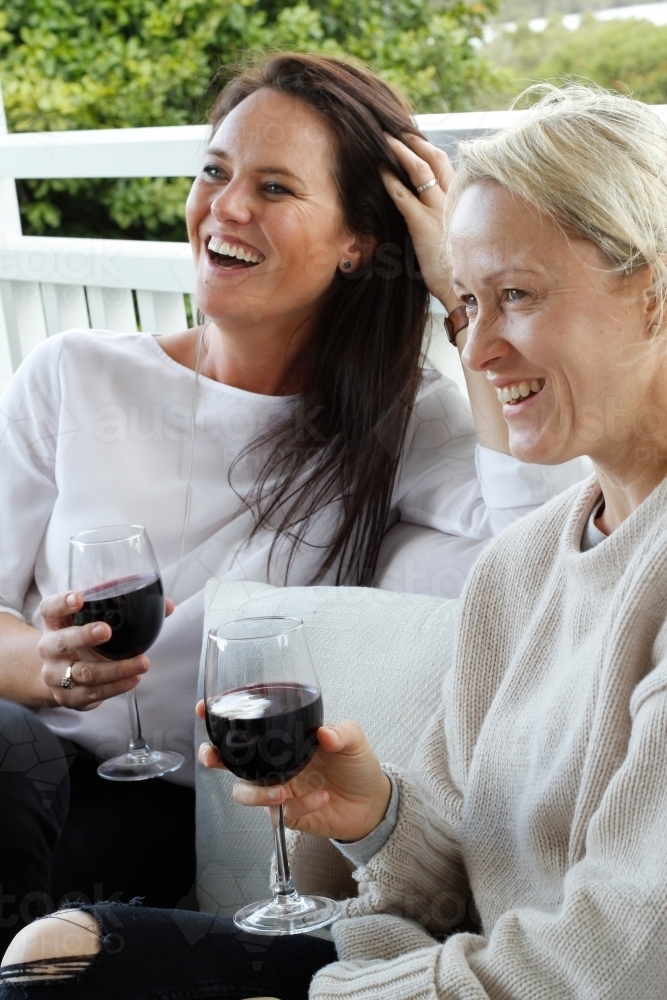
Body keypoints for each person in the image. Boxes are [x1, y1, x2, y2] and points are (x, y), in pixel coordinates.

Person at [5, 80, 667, 998]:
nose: (471, 349)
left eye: (510, 295)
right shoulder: (529, 566)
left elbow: (610, 966)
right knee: (46, 923)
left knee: (58, 949)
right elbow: (442, 872)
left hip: (456, 973)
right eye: (465, 306)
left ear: (654, 294)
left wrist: (332, 985)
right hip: (412, 956)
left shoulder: (407, 437)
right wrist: (375, 816)